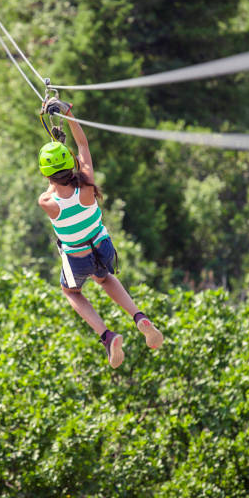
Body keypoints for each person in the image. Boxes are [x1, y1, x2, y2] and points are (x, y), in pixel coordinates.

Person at [37, 98, 163, 368]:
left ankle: (107, 336)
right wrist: (67, 112)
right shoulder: (87, 183)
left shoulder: (47, 202)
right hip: (102, 246)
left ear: (46, 174)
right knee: (104, 278)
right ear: (70, 165)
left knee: (71, 292)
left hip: (77, 258)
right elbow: (82, 145)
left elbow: (52, 187)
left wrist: (53, 150)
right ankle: (139, 316)